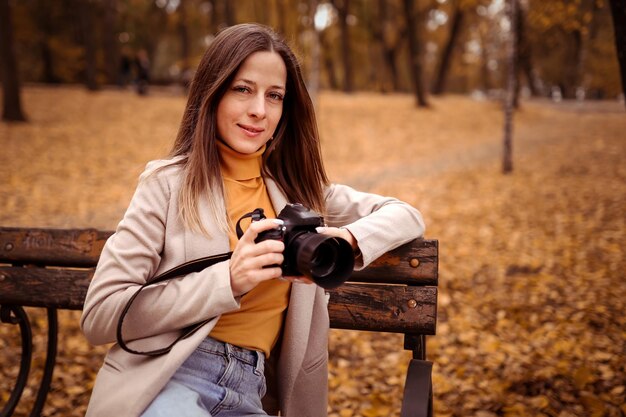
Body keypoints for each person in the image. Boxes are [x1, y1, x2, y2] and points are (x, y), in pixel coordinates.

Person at [80, 23, 425, 417]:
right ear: (213, 93)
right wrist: (227, 280)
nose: (259, 110)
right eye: (243, 89)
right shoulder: (167, 184)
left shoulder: (300, 193)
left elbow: (406, 215)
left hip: (251, 393)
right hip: (170, 379)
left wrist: (346, 240)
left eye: (274, 95)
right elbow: (102, 314)